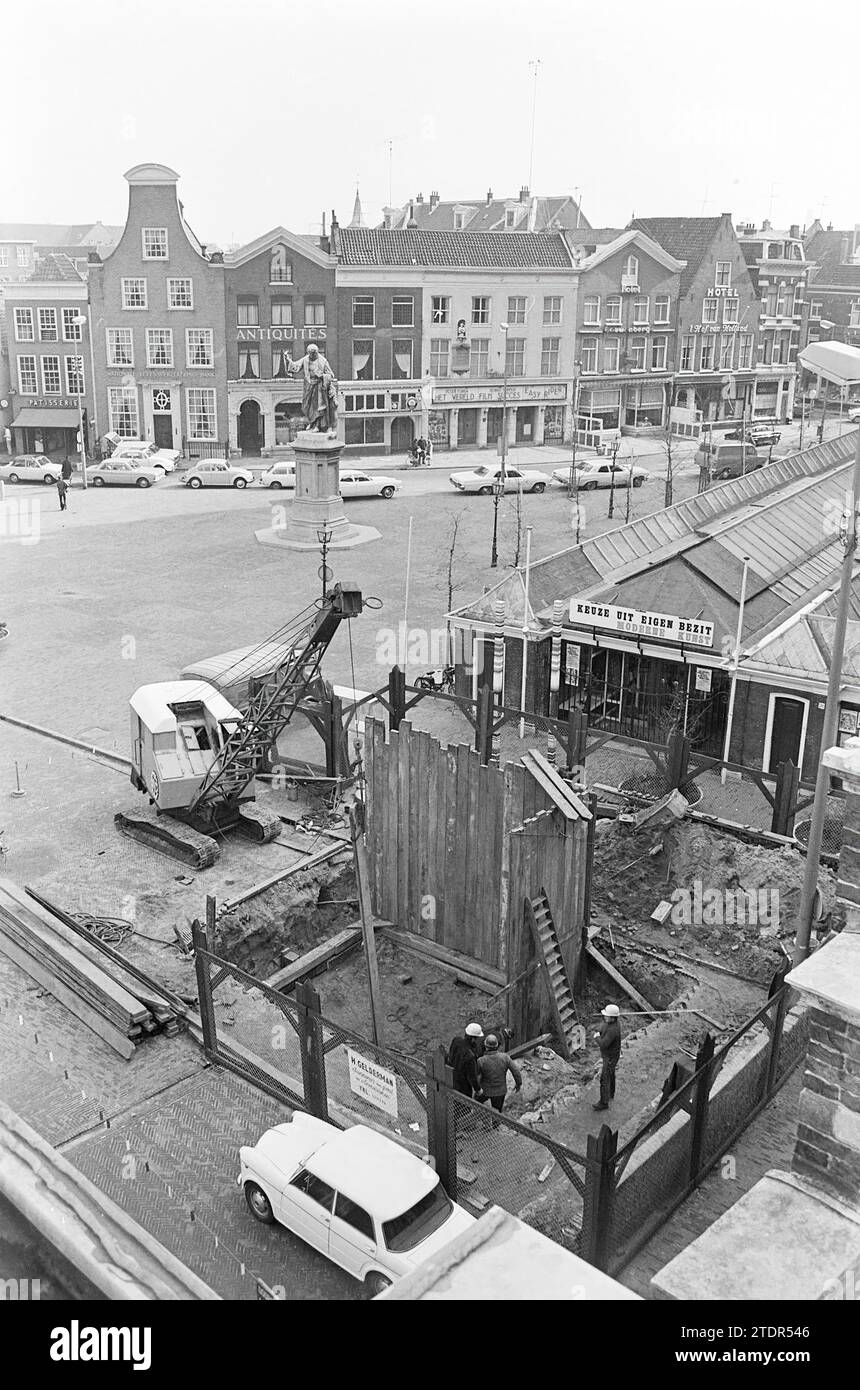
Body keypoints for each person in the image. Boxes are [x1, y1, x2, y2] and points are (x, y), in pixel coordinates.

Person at [287, 344, 338, 434]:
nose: (312, 355)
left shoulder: (323, 361)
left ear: (317, 352)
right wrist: (288, 360)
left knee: (318, 407)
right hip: (308, 386)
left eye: (314, 353)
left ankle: (317, 425)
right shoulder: (305, 359)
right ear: (308, 352)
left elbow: (331, 375)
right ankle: (312, 422)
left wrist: (322, 375)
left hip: (319, 387)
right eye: (310, 353)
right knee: (307, 406)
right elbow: (296, 367)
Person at [476, 1033, 522, 1126]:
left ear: (485, 1046)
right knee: (497, 1112)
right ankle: (495, 1128)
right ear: (497, 1045)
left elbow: (476, 1076)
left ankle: (483, 1122)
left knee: (476, 1104)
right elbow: (516, 1071)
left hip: (485, 1090)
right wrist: (518, 1084)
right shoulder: (505, 1057)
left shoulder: (481, 1060)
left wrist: (477, 1088)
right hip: (500, 1091)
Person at [593, 1003, 621, 1111]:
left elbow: (604, 1044)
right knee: (611, 1073)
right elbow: (603, 1026)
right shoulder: (613, 1023)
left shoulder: (613, 1030)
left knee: (604, 1079)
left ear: (612, 1018)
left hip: (610, 1057)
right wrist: (599, 1030)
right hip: (612, 1055)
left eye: (607, 1016)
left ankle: (604, 1102)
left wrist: (597, 1037)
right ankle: (611, 1093)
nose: (605, 1017)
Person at [446, 1021, 483, 1097]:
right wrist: (478, 1090)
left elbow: (451, 1056)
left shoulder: (456, 1040)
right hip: (463, 1088)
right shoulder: (470, 1057)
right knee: (463, 1107)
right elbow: (472, 1077)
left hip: (450, 1079)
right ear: (473, 1039)